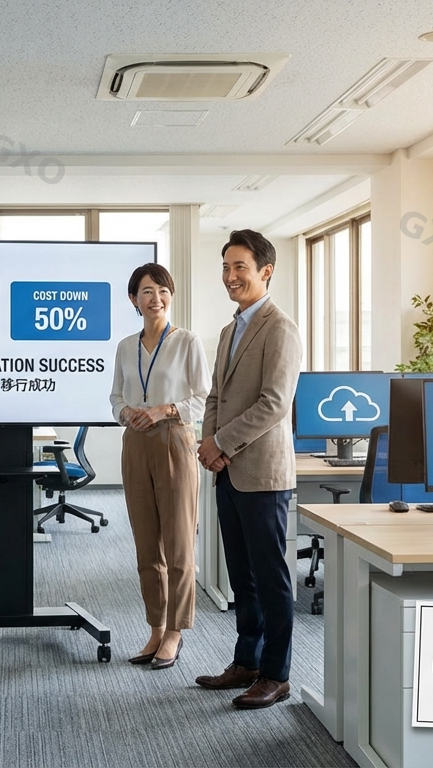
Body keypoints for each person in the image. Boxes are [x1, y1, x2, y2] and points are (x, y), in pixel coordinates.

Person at [195, 229, 303, 709]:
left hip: (262, 472)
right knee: (242, 575)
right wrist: (210, 445)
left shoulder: (280, 327)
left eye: (240, 267)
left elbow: (275, 404)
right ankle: (247, 661)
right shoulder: (229, 329)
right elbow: (216, 396)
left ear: (265, 271)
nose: (231, 276)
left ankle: (276, 674)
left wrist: (221, 442)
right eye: (225, 267)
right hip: (228, 469)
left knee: (271, 577)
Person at [109, 264, 210, 671]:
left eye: (162, 290)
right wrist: (126, 413)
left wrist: (165, 409)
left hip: (174, 440)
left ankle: (175, 631)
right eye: (147, 292)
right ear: (133, 299)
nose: (156, 298)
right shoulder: (125, 346)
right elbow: (115, 396)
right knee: (146, 546)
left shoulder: (187, 342)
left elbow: (204, 398)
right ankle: (155, 626)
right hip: (135, 442)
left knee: (179, 546)